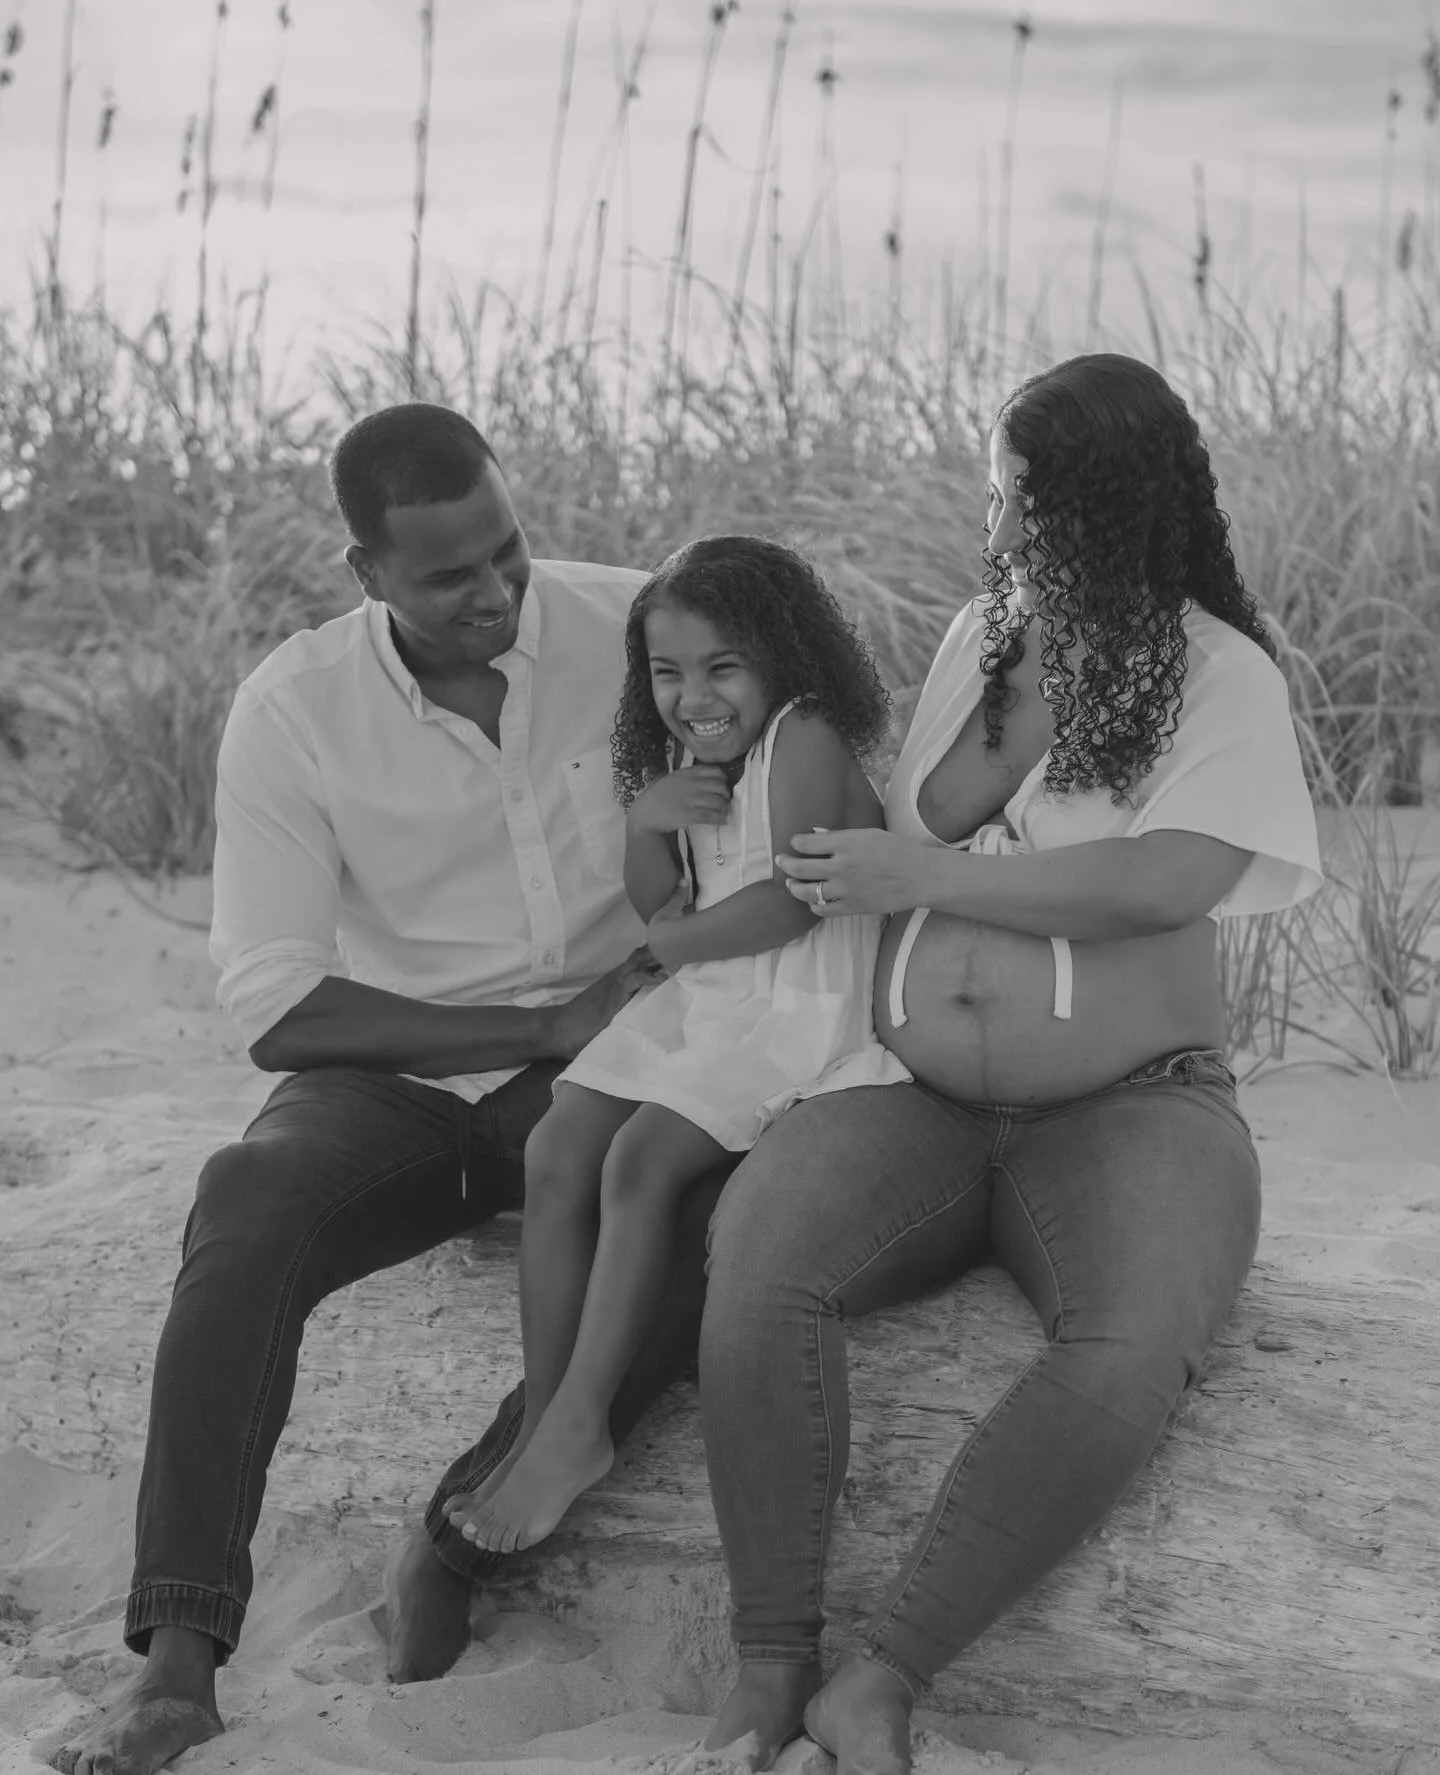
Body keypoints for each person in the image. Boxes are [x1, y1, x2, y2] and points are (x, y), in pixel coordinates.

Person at [51, 403, 727, 1775]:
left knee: (704, 1213)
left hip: (599, 1074)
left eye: (509, 553)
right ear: (367, 575)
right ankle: (179, 1662)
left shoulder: (627, 633)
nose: (495, 594)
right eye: (448, 576)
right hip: (399, 1075)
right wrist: (537, 1014)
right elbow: (279, 1006)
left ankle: (456, 1544)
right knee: (244, 1207)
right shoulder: (296, 711)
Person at [695, 352, 1324, 1774]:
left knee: (1132, 1344)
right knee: (757, 1263)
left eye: (1036, 507)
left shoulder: (1219, 671)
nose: (1009, 533)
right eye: (1002, 502)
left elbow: (1165, 879)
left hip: (1131, 1108)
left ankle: (886, 1674)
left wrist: (925, 871)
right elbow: (898, 826)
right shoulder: (984, 634)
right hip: (914, 1093)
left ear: (1122, 508)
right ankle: (770, 1664)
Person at [442, 537, 910, 1555]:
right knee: (559, 1144)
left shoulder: (805, 737)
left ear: (784, 658)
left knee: (643, 1158)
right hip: (713, 1002)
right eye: (666, 672)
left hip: (800, 1004)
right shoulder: (691, 761)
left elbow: (792, 904)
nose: (693, 695)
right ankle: (544, 1416)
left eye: (720, 667)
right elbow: (666, 897)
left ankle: (580, 1424)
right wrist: (647, 826)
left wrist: (670, 942)